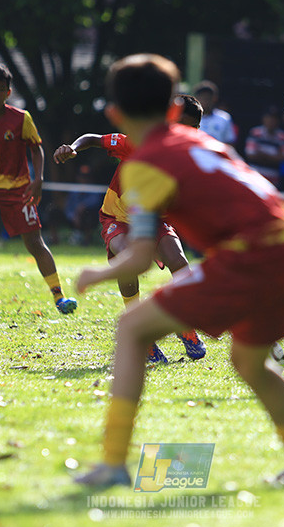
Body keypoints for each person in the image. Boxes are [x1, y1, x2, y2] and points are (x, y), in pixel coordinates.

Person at [74, 55, 284, 487]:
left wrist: (96, 275)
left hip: (254, 250)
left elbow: (139, 257)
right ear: (176, 111)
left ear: (115, 114)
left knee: (131, 328)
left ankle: (113, 465)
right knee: (249, 362)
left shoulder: (144, 166)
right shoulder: (200, 141)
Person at [53, 94, 207, 363]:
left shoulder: (189, 157)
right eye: (177, 123)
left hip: (155, 220)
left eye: (190, 127)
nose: (182, 130)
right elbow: (92, 138)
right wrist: (73, 147)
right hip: (117, 218)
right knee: (128, 261)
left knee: (179, 261)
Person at [0, 64, 77, 314]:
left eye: (1, 89)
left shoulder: (21, 119)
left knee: (35, 243)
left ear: (8, 92)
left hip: (19, 190)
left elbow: (36, 148)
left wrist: (39, 178)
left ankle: (59, 297)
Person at [244, 107, 284, 186]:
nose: (271, 121)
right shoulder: (255, 132)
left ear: (278, 121)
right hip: (254, 178)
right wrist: (273, 157)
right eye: (269, 118)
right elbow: (250, 154)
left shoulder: (283, 136)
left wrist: (262, 154)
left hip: (273, 180)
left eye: (274, 119)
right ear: (264, 118)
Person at [193, 80, 236, 146]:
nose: (205, 100)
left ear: (214, 98)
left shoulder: (224, 118)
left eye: (208, 97)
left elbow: (229, 141)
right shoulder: (191, 117)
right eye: (202, 97)